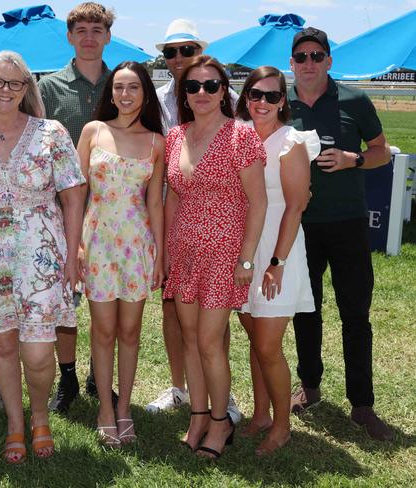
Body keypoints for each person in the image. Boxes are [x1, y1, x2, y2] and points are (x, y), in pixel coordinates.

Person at [0, 51, 86, 464]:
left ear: (28, 88)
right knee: (2, 344)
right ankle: (14, 423)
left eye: (15, 83)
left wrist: (73, 256)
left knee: (39, 349)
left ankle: (39, 416)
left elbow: (73, 196)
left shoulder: (51, 132)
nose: (6, 90)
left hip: (41, 255)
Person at [287, 27, 393, 441]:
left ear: (329, 61)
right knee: (305, 311)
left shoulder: (354, 99)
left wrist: (354, 158)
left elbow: (382, 151)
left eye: (317, 56)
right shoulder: (280, 101)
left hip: (348, 222)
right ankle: (310, 387)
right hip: (300, 226)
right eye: (302, 57)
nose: (309, 63)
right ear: (292, 63)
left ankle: (362, 405)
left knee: (356, 314)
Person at [164, 55, 267, 459]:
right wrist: (169, 250)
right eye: (193, 87)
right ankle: (198, 415)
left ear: (224, 91)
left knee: (209, 341)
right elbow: (173, 195)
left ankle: (221, 423)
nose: (202, 93)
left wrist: (246, 260)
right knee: (190, 338)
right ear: (184, 94)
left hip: (224, 253)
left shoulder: (241, 136)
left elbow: (257, 204)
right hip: (185, 251)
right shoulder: (176, 136)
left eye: (211, 85)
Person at [147, 19, 242, 425]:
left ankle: (223, 396)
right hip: (170, 210)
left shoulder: (228, 96)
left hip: (216, 221)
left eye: (186, 49)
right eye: (171, 52)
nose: (179, 58)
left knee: (213, 320)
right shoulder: (155, 97)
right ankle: (180, 388)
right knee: (174, 310)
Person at [77, 61, 165, 446]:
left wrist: (159, 254)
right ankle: (104, 410)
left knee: (130, 332)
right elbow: (76, 191)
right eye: (118, 87)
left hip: (136, 246)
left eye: (133, 88)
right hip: (97, 242)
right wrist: (76, 242)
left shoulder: (156, 142)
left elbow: (157, 204)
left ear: (145, 93)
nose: (125, 95)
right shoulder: (93, 132)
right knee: (103, 329)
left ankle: (124, 407)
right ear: (110, 92)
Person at [38, 1, 117, 413]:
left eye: (96, 30)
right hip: (59, 210)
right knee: (64, 301)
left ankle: (97, 374)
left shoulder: (122, 84)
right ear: (70, 36)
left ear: (107, 36)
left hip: (111, 213)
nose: (89, 37)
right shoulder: (48, 88)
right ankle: (67, 379)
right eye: (81, 30)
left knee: (109, 301)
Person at [235, 66, 317, 456]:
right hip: (244, 252)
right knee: (255, 339)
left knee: (268, 345)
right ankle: (262, 414)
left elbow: (297, 206)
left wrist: (277, 261)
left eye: (271, 96)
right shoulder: (239, 136)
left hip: (277, 253)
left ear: (282, 100)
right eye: (255, 95)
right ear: (245, 98)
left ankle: (282, 426)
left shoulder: (292, 142)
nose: (262, 102)